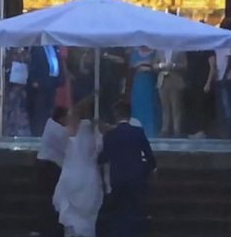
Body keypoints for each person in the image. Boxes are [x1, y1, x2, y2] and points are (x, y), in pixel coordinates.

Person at [98, 100, 156, 237]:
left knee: (118, 212)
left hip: (117, 178)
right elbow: (150, 157)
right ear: (130, 116)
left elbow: (103, 158)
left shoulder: (110, 135)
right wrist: (145, 171)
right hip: (135, 178)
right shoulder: (138, 132)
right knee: (134, 211)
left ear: (116, 115)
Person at [53, 97, 103, 237]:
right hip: (88, 177)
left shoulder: (70, 134)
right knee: (87, 220)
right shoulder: (94, 135)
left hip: (73, 175)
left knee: (72, 220)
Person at [36, 106, 69, 237]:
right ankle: (50, 229)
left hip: (47, 166)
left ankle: (50, 228)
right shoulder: (56, 130)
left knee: (49, 200)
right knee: (50, 200)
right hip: (49, 167)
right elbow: (66, 145)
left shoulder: (52, 127)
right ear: (61, 118)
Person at [27, 45, 64, 136]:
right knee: (40, 111)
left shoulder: (55, 48)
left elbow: (58, 62)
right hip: (41, 83)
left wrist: (60, 78)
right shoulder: (38, 48)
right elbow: (33, 64)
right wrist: (34, 80)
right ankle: (38, 133)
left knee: (50, 109)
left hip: (52, 82)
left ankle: (47, 132)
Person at [186, 45, 217, 139]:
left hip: (203, 83)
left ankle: (202, 130)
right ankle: (196, 130)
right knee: (194, 106)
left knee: (202, 107)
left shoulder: (208, 50)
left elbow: (212, 68)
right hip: (192, 83)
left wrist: (208, 83)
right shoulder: (190, 50)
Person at [130, 47, 161, 138]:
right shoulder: (135, 52)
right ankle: (136, 131)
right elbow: (132, 66)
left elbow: (156, 65)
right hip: (138, 82)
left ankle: (151, 132)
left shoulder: (155, 52)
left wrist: (148, 67)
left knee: (151, 105)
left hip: (150, 82)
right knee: (138, 105)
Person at [155, 50, 187, 137]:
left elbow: (185, 64)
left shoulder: (179, 51)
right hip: (162, 81)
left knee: (176, 106)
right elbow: (154, 65)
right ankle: (165, 129)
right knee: (164, 106)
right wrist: (161, 65)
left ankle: (177, 129)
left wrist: (174, 65)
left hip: (175, 80)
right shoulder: (159, 51)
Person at [215, 18, 231, 138]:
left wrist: (224, 75)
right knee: (223, 105)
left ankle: (230, 131)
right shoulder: (220, 40)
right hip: (220, 75)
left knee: (227, 104)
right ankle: (224, 129)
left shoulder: (229, 39)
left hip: (227, 77)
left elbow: (230, 58)